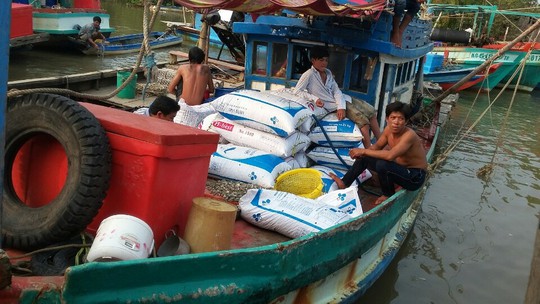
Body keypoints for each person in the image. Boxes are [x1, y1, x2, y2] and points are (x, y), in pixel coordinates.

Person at [329, 101, 428, 205]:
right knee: (365, 157)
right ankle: (345, 182)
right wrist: (361, 154)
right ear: (387, 119)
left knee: (383, 164)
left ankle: (387, 194)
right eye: (393, 118)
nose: (396, 122)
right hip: (400, 170)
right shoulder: (388, 130)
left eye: (401, 119)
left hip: (415, 177)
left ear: (406, 121)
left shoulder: (409, 135)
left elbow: (390, 156)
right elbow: (376, 147)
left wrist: (363, 150)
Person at [293, 45, 381, 148]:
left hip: (343, 99)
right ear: (313, 60)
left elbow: (337, 91)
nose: (324, 63)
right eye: (321, 60)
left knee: (371, 112)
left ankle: (381, 143)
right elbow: (297, 91)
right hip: (331, 105)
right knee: (364, 124)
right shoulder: (309, 74)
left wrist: (341, 107)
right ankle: (369, 151)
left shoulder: (328, 73)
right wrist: (315, 99)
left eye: (326, 60)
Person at [167, 46, 216, 127]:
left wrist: (180, 95)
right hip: (197, 106)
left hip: (183, 105)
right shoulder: (207, 69)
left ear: (189, 59)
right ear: (202, 59)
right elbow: (211, 90)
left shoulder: (183, 68)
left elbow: (170, 89)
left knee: (181, 83)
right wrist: (201, 89)